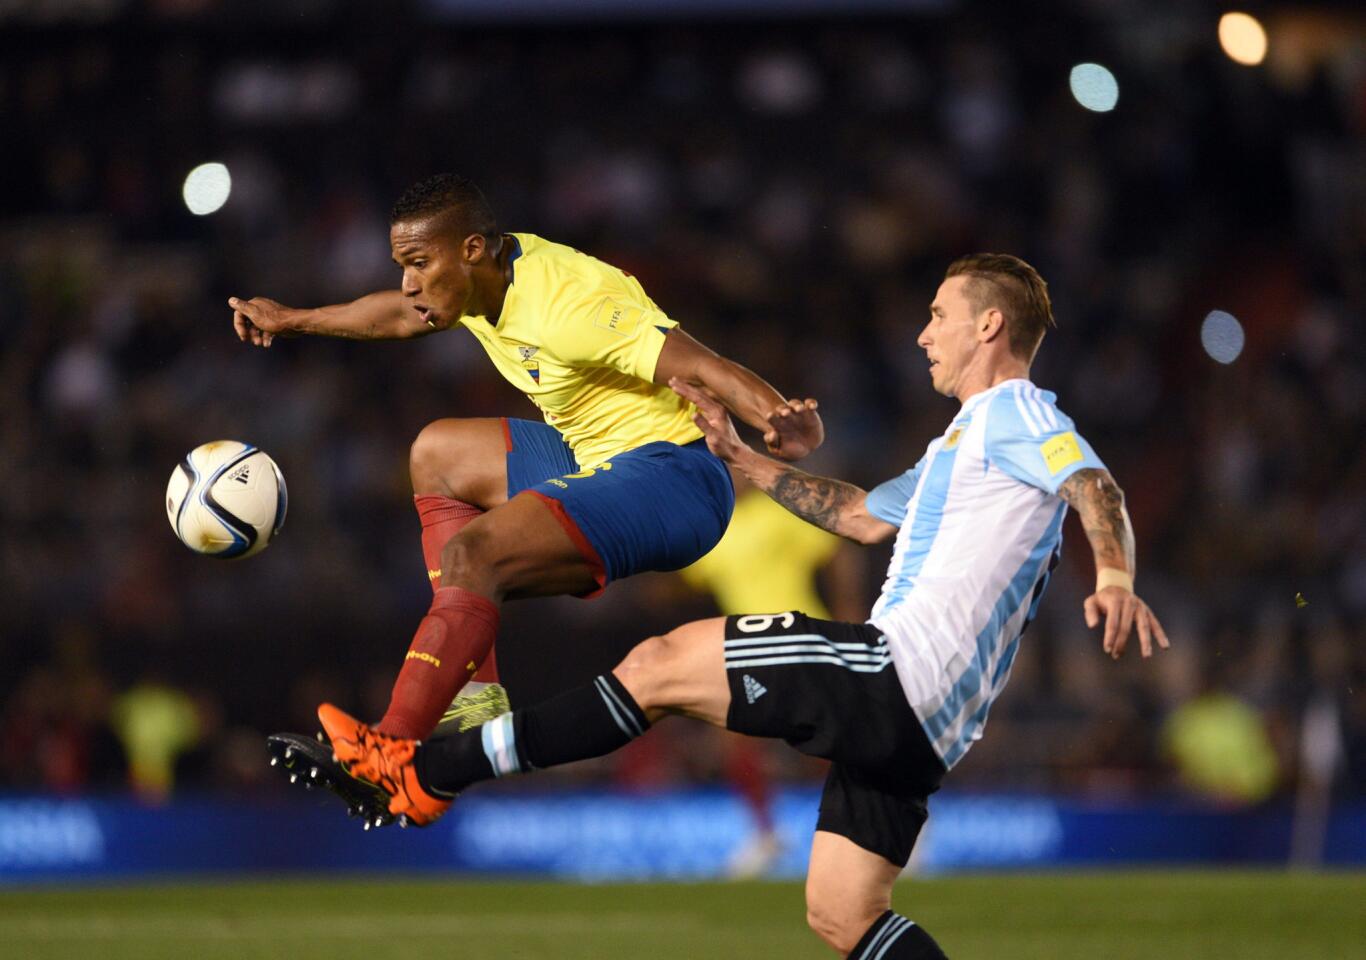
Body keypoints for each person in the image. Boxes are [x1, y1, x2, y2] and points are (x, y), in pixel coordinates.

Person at [316, 253, 1171, 958]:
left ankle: (429, 773)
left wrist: (1116, 577)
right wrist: (741, 460)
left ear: (990, 325)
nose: (924, 332)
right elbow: (860, 516)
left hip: (895, 674)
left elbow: (1093, 483)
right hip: (930, 728)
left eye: (941, 314)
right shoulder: (961, 444)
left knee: (658, 665)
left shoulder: (1016, 413)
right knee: (844, 914)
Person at [232, 173, 823, 820]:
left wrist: (780, 419)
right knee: (437, 453)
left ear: (474, 251)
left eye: (418, 264)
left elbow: (702, 365)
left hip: (675, 476)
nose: (408, 283)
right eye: (403, 265)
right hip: (595, 454)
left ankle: (392, 752)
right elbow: (400, 314)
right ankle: (477, 698)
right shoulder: (474, 290)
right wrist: (294, 319)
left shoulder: (569, 302)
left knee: (474, 554)